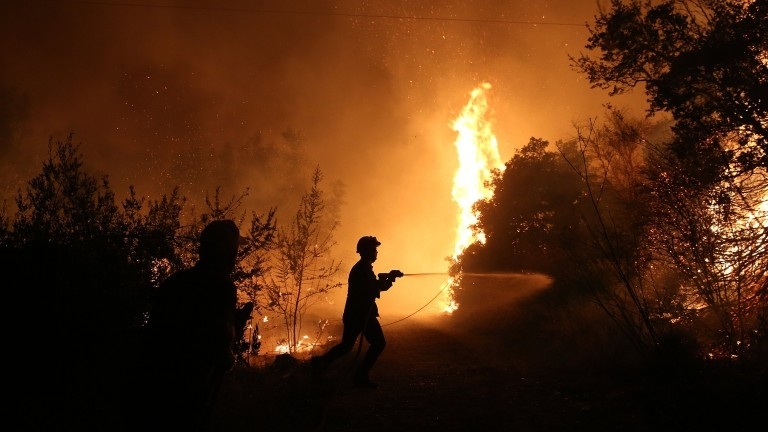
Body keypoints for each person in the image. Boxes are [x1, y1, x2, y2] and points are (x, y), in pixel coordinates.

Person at [134, 219, 244, 430]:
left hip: (149, 385)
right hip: (187, 390)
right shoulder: (221, 287)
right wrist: (234, 334)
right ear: (229, 254)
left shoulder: (176, 282)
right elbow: (220, 348)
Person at [311, 235, 403, 388]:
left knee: (346, 347)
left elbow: (376, 287)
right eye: (374, 249)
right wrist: (387, 278)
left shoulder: (364, 268)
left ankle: (320, 363)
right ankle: (360, 376)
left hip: (357, 314)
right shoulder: (362, 269)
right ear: (367, 251)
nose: (376, 253)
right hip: (360, 315)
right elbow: (373, 290)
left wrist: (389, 279)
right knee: (378, 343)